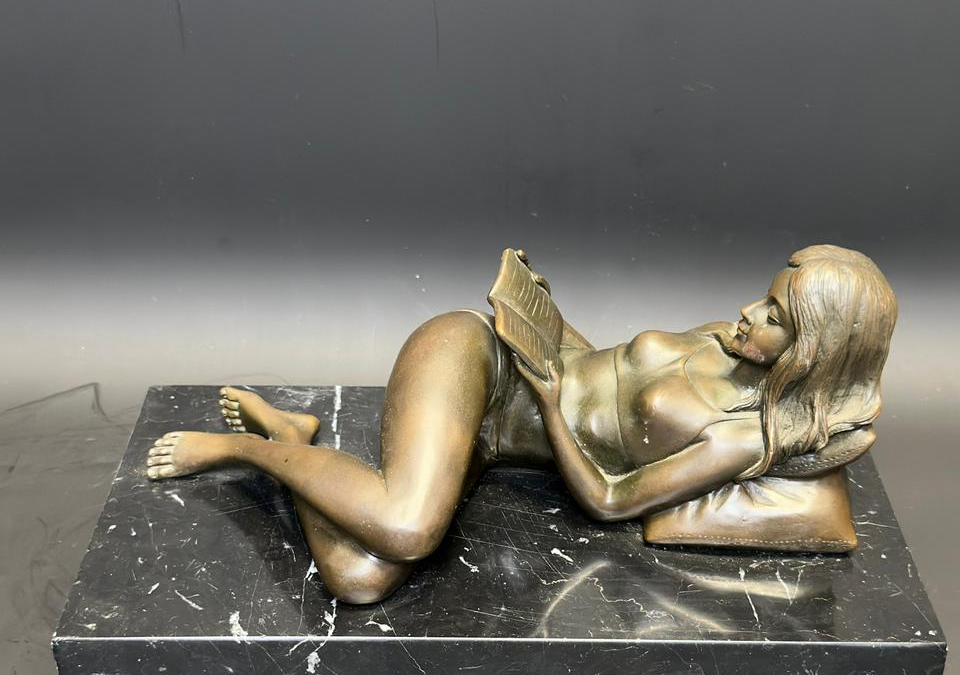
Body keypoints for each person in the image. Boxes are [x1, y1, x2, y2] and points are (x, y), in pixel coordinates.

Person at [146, 244, 896, 604]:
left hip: (509, 421)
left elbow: (611, 500)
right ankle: (243, 449)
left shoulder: (742, 434)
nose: (748, 313)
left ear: (815, 353)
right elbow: (598, 367)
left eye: (774, 316)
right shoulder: (723, 340)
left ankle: (288, 439)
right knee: (406, 528)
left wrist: (548, 399)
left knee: (358, 580)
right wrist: (542, 315)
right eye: (764, 296)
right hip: (474, 360)